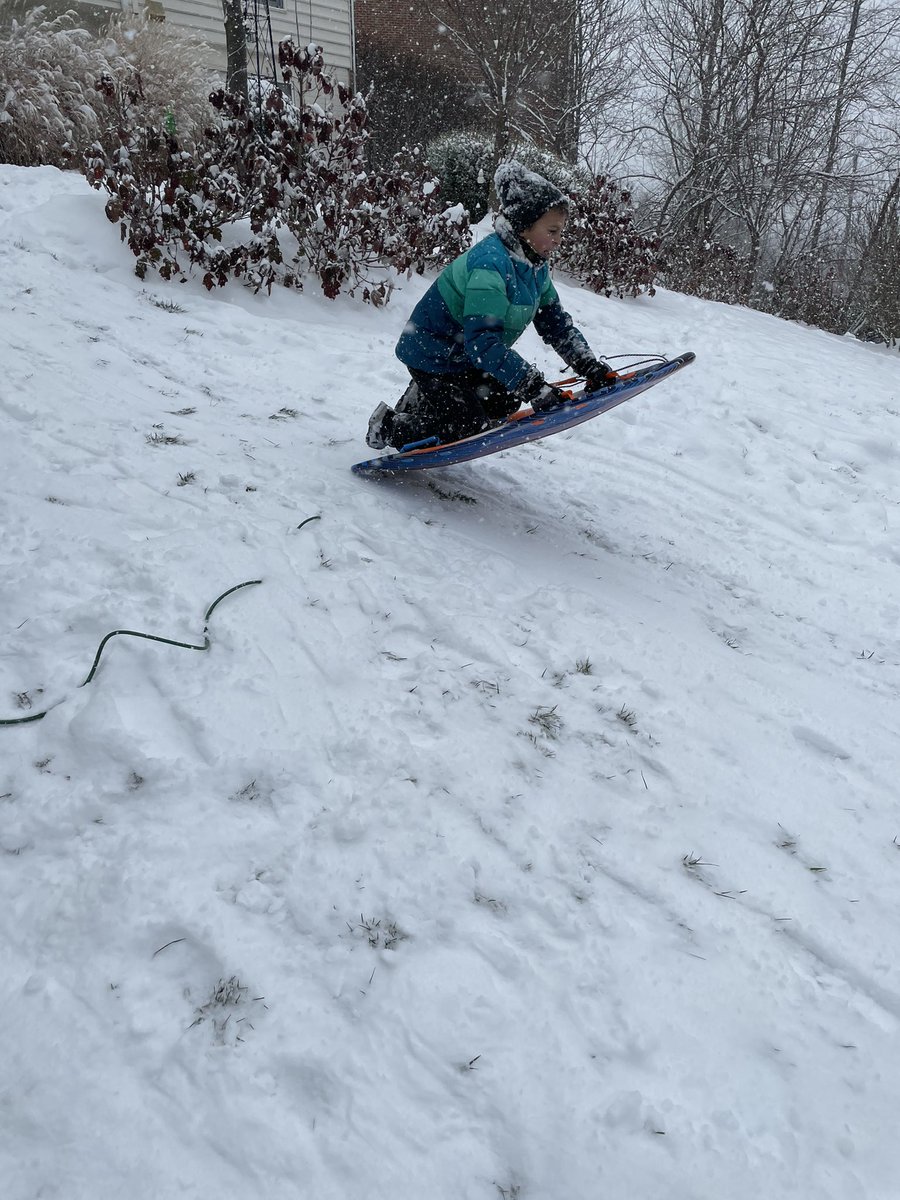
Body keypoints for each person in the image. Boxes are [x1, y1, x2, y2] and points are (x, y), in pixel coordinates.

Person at [366, 160, 617, 451]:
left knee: (505, 399)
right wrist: (534, 386)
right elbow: (483, 343)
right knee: (467, 427)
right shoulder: (490, 265)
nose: (559, 240)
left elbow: (556, 324)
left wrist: (590, 367)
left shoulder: (534, 268)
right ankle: (389, 426)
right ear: (524, 226)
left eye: (560, 231)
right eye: (552, 230)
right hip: (432, 353)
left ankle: (425, 401)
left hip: (464, 355)